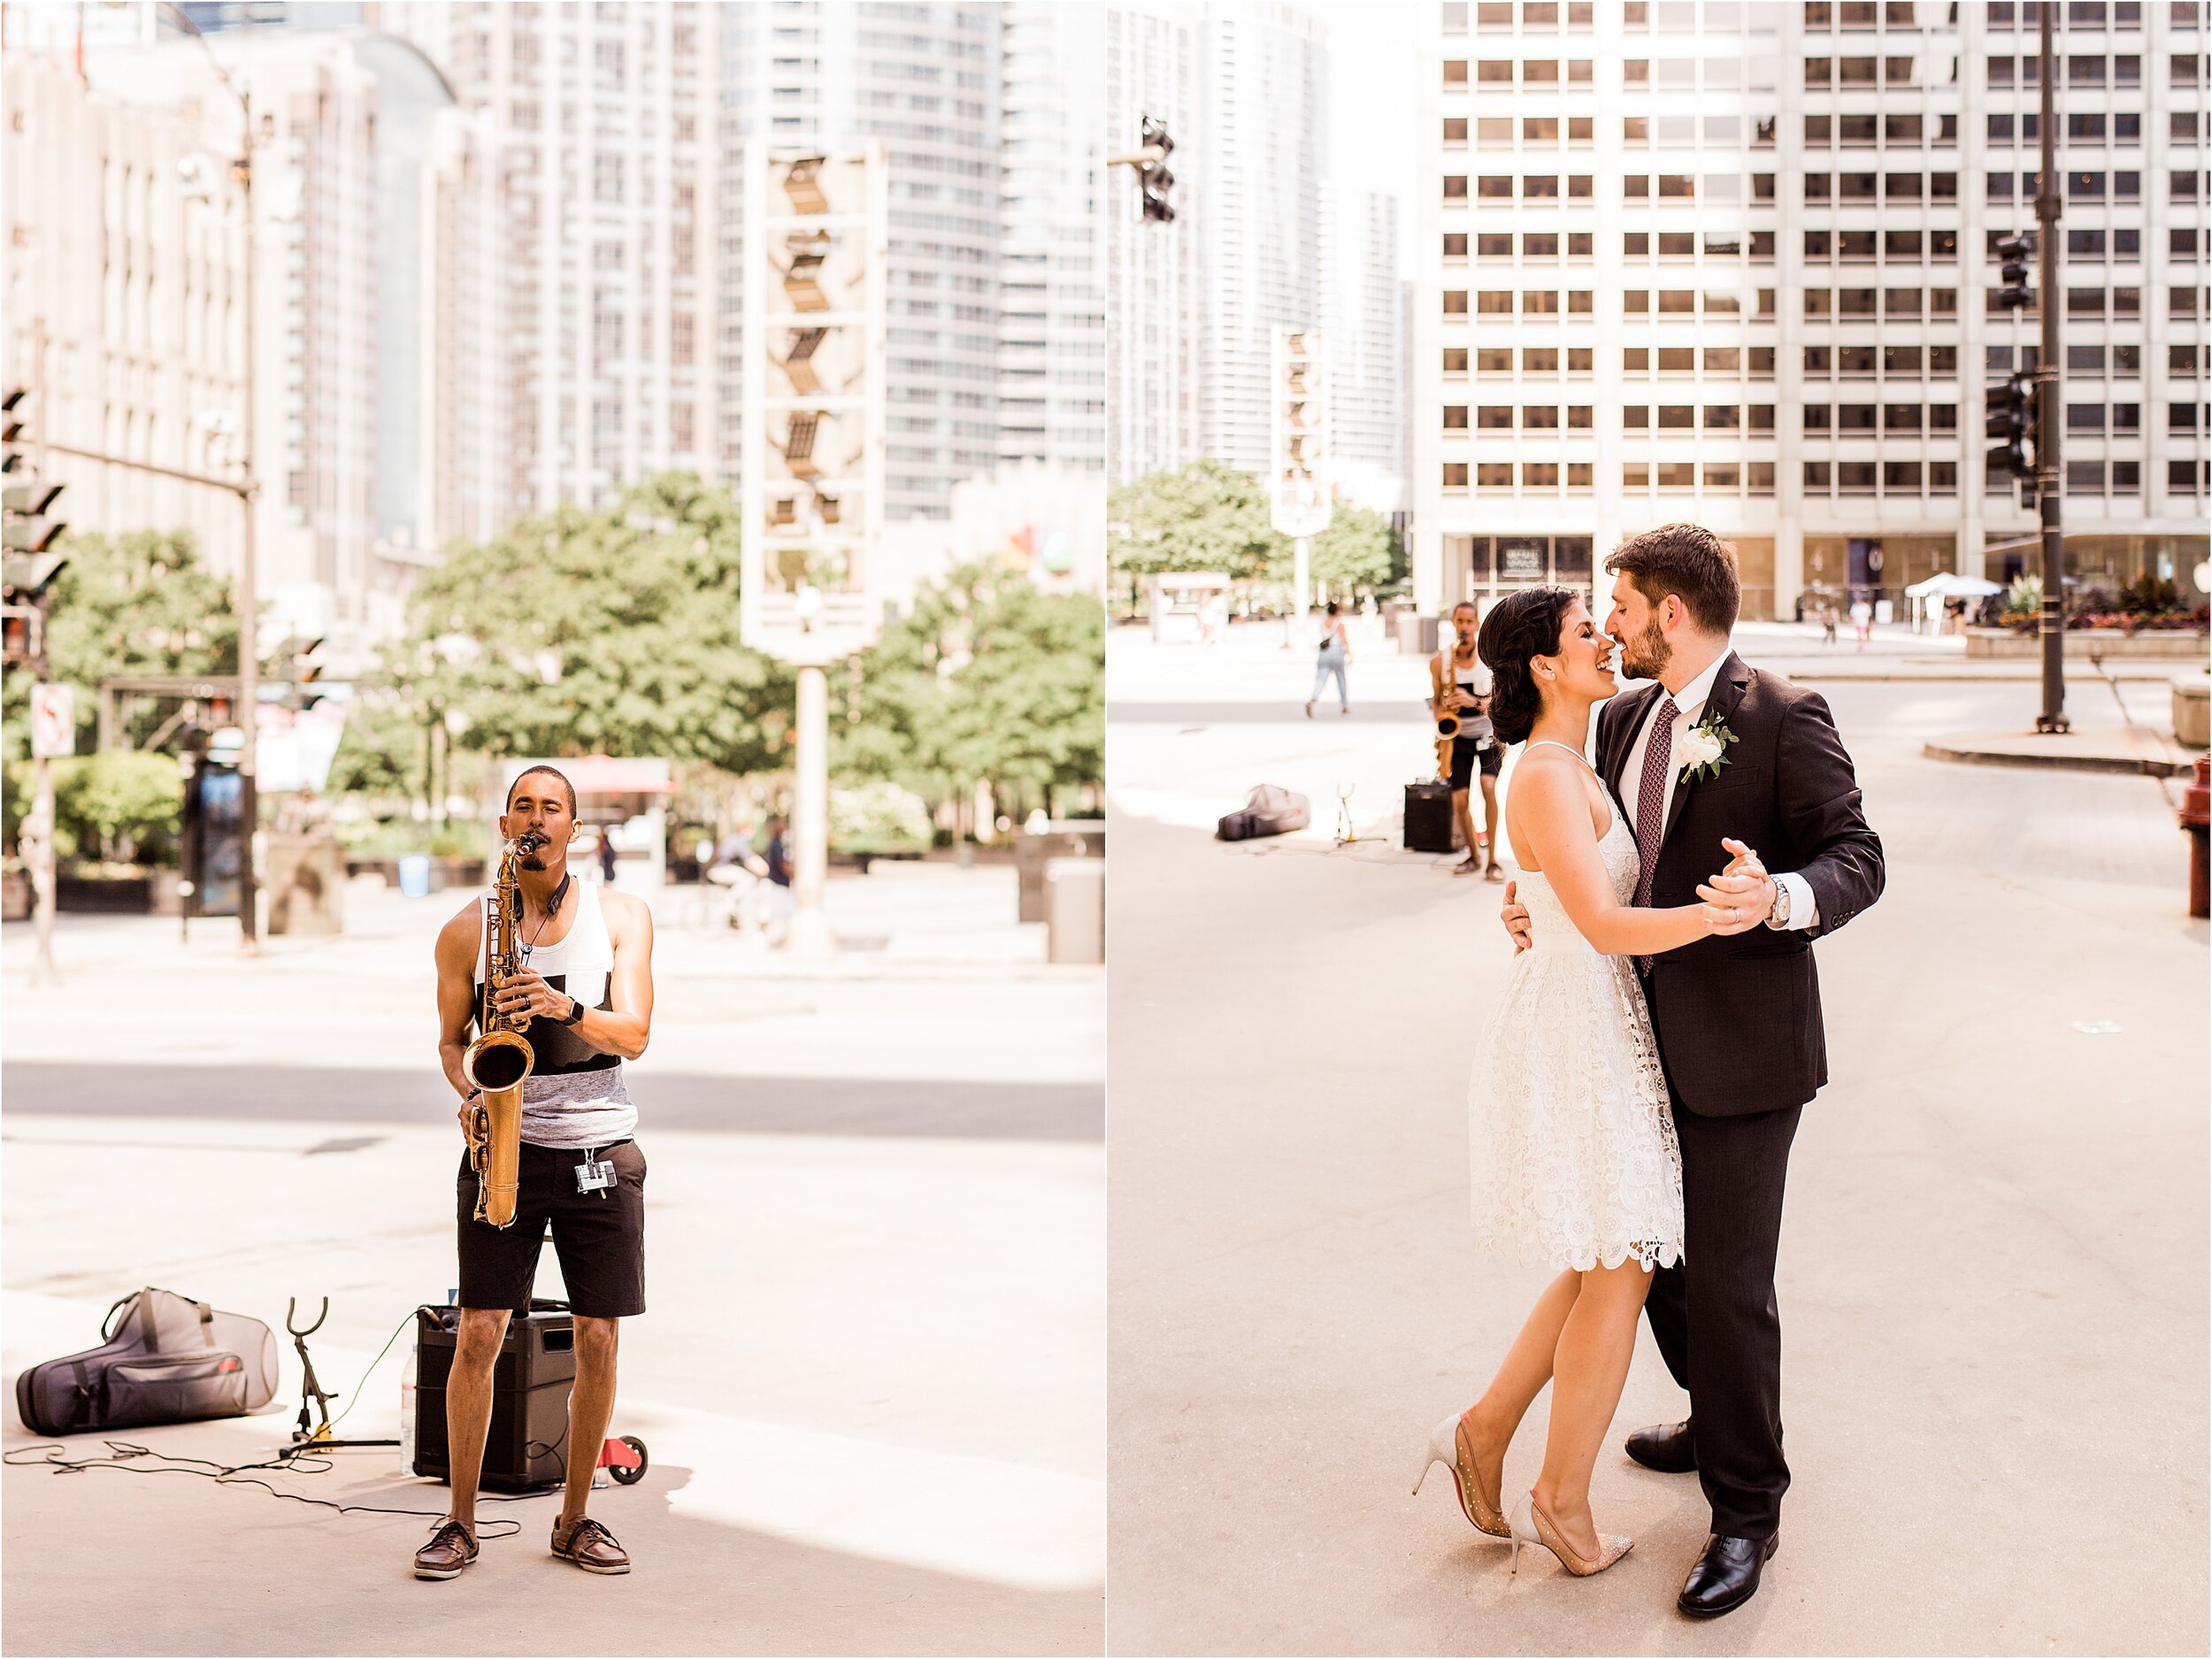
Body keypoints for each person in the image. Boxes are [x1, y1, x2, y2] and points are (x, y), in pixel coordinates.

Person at [1494, 525, 1884, 1617]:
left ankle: (1746, 1512)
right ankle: (1717, 1414)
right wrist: (1534, 903)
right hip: (1626, 1045)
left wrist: (1780, 899)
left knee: (1724, 1282)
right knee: (1657, 1264)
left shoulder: (1782, 714)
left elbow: (1857, 855)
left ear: (1668, 612)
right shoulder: (1619, 719)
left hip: (1747, 1052)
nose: (1609, 627)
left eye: (1619, 607)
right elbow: (1596, 862)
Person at [1415, 585, 1763, 1585]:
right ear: (1541, 665)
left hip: (1599, 1019)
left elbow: (1558, 891)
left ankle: (1484, 1432)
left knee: (1601, 1255)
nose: (1606, 640)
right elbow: (1604, 924)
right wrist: (1725, 914)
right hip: (1573, 1030)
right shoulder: (1542, 776)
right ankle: (1560, 1503)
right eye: (1584, 633)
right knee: (1622, 1258)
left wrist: (1521, 900)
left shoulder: (1582, 754)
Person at [419, 764, 657, 1581]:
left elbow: (635, 1035)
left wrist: (563, 1008)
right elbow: (452, 1040)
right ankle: (458, 1521)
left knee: (597, 1335)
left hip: (599, 1150)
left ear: (574, 830)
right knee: (480, 1331)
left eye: (552, 807)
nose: (537, 817)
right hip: (506, 1146)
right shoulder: (466, 929)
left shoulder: (621, 917)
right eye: (523, 805)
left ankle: (576, 1514)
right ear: (503, 825)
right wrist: (470, 1089)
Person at [1431, 601, 1503, 880]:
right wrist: (1442, 717)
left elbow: (1500, 701)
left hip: (1487, 734)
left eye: (1469, 622)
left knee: (1488, 786)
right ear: (1453, 623)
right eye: (1460, 621)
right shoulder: (1440, 661)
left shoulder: (1488, 660)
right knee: (1459, 799)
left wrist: (1474, 702)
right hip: (1457, 736)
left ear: (1477, 625)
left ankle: (1493, 859)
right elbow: (1436, 701)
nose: (1464, 627)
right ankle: (1473, 854)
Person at [1305, 602, 1351, 718]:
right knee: (1341, 678)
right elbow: (1344, 640)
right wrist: (1349, 654)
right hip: (1336, 651)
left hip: (1324, 653)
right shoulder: (1339, 623)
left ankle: (1313, 700)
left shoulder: (1323, 622)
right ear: (1336, 611)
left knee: (1320, 679)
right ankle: (1344, 705)